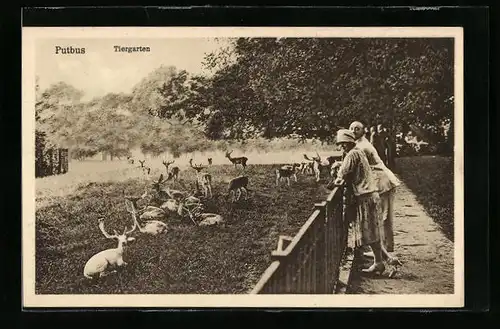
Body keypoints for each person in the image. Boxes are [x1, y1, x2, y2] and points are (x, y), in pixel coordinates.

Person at [349, 121, 402, 269]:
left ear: (363, 131)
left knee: (382, 217)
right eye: (351, 128)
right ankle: (382, 252)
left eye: (357, 128)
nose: (354, 130)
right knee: (379, 217)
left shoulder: (362, 147)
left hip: (381, 180)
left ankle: (385, 252)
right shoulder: (358, 144)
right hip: (377, 179)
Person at [333, 129, 386, 275]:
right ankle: (381, 261)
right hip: (370, 193)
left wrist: (336, 177)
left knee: (368, 231)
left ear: (350, 142)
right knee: (371, 231)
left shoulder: (352, 154)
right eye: (340, 144)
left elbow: (342, 174)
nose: (342, 147)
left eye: (344, 144)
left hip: (365, 195)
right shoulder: (358, 151)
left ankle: (381, 261)